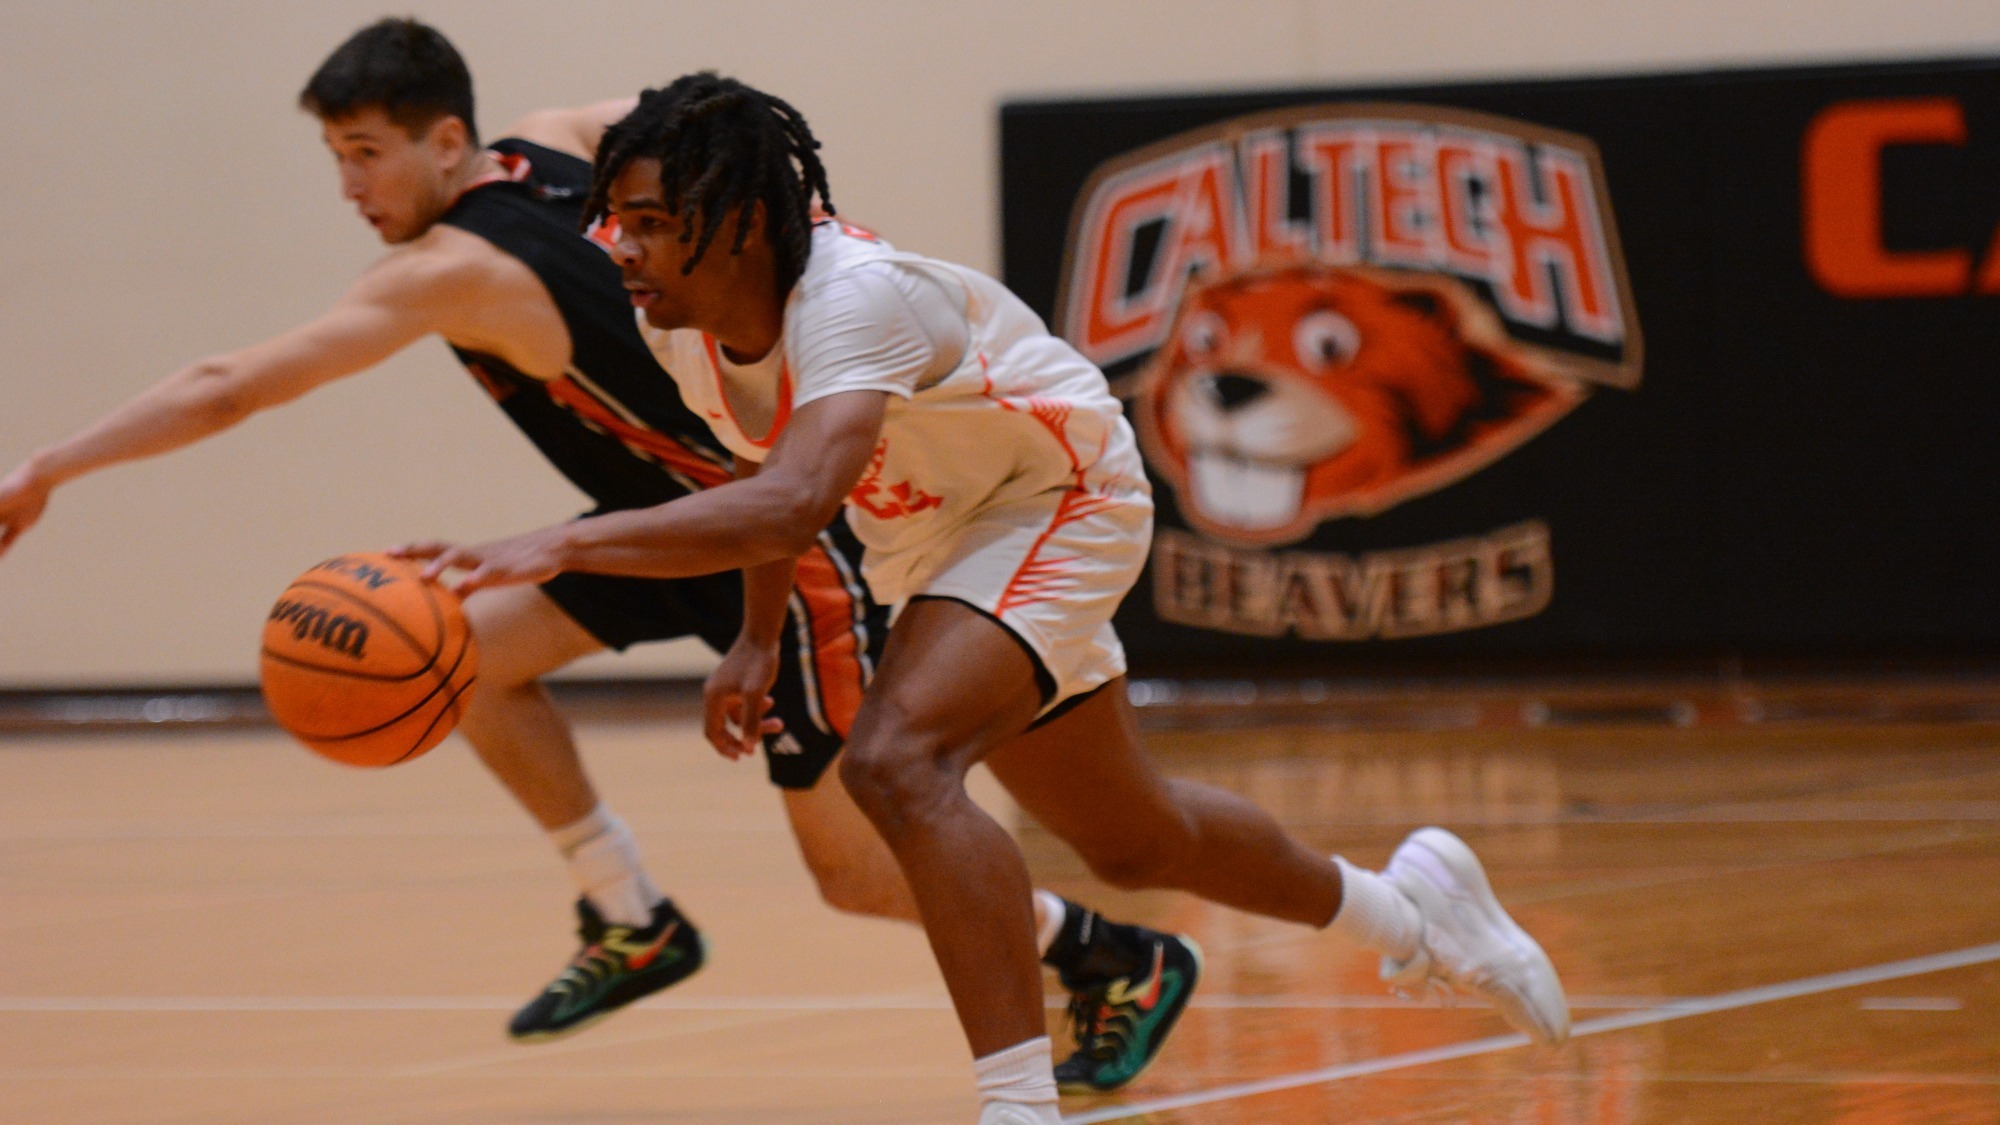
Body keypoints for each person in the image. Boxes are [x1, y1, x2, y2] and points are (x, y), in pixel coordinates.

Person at [0, 20, 1200, 1085]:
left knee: (852, 867)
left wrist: (49, 467)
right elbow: (696, 109)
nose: (351, 186)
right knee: (457, 648)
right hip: (644, 525)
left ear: (446, 140)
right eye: (336, 159)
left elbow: (225, 388)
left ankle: (1106, 953)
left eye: (368, 153)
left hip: (764, 540)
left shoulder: (446, 271)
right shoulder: (558, 137)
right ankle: (630, 911)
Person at [395, 72, 1573, 1123]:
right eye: (615, 219)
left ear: (739, 222)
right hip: (936, 540)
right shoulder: (690, 331)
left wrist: (560, 544)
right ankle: (1413, 915)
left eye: (649, 222)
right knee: (1132, 838)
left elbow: (796, 498)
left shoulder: (852, 297)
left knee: (894, 764)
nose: (620, 247)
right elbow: (762, 480)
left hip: (1057, 492)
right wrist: (755, 638)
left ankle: (1014, 1107)